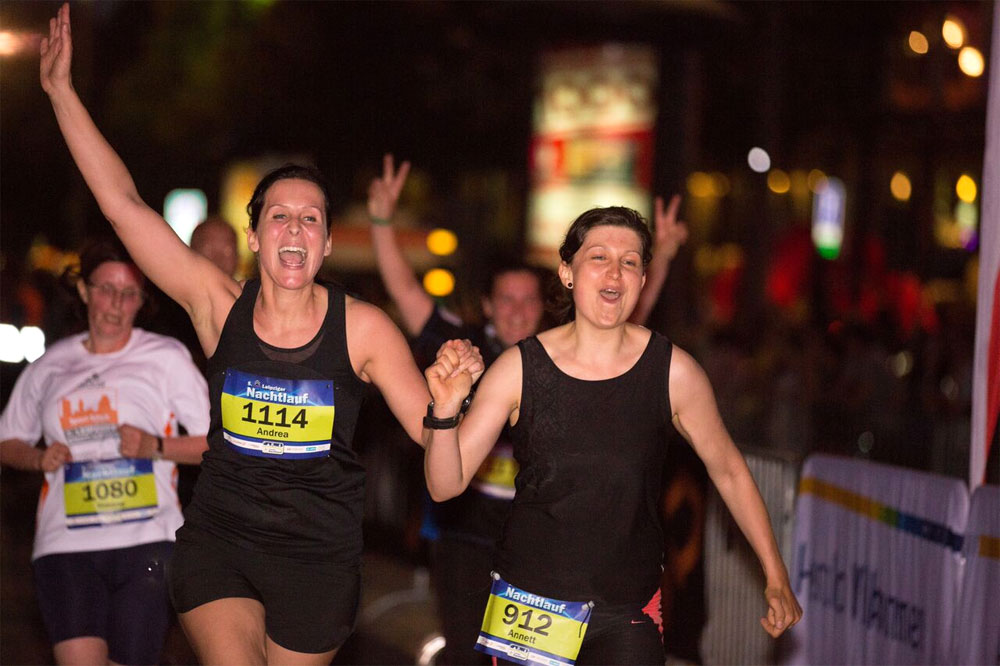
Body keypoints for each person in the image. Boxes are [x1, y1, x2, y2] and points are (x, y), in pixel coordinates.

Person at [39, 6, 482, 664]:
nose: (295, 230)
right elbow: (124, 204)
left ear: (328, 243)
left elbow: (443, 483)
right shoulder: (216, 304)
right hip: (221, 542)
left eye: (311, 220)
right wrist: (60, 92)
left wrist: (447, 410)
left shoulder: (363, 329)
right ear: (253, 237)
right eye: (280, 217)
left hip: (318, 560)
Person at [423, 206, 801, 665]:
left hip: (628, 610)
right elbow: (446, 484)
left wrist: (775, 573)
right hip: (531, 604)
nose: (614, 272)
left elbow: (730, 470)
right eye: (598, 257)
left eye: (630, 262)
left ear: (642, 279)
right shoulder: (519, 369)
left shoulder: (674, 373)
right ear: (568, 272)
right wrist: (444, 412)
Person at [368, 155, 688, 664]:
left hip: (544, 547)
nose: (518, 309)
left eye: (527, 299)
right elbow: (405, 292)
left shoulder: (564, 356)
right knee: (464, 650)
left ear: (544, 302)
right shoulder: (464, 350)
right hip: (466, 533)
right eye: (505, 299)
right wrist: (382, 222)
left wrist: (662, 257)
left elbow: (630, 321)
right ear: (488, 307)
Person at [0, 238, 211, 666]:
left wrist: (155, 446)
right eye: (104, 288)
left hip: (147, 543)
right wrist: (38, 458)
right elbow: (8, 441)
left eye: (129, 292)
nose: (115, 303)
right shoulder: (50, 365)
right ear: (83, 291)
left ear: (142, 301)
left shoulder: (166, 358)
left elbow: (217, 445)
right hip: (66, 545)